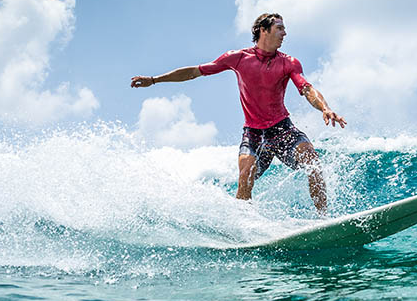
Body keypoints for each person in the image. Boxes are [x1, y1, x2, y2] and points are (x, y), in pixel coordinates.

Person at [131, 13, 345, 214]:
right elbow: (195, 72)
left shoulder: (289, 63)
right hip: (253, 133)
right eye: (279, 28)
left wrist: (324, 108)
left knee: (312, 160)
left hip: (282, 128)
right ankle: (244, 225)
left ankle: (322, 216)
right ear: (264, 30)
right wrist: (154, 79)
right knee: (246, 173)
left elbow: (306, 88)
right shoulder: (238, 58)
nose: (284, 33)